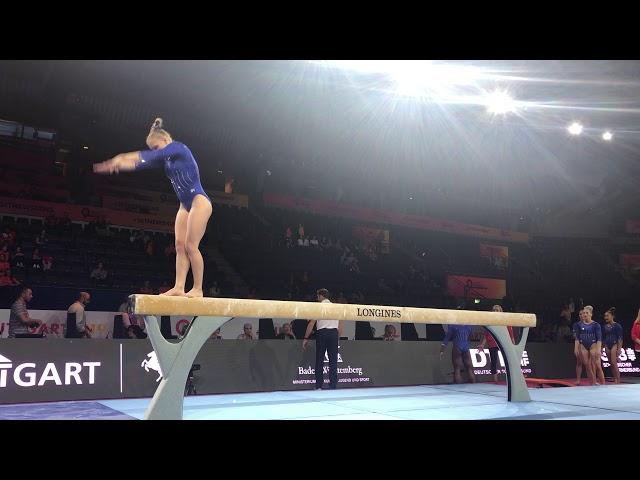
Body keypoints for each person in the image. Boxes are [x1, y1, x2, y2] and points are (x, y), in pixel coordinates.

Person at [93, 118, 212, 298]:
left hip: (199, 201)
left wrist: (121, 156)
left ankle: (197, 288)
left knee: (190, 245)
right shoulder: (166, 159)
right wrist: (115, 165)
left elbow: (150, 156)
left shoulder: (179, 148)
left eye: (156, 147)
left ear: (165, 140)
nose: (155, 151)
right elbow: (141, 164)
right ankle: (179, 287)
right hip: (184, 205)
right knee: (179, 245)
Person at [303, 288, 342, 390]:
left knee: (319, 360)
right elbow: (340, 324)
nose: (317, 298)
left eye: (317, 296)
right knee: (333, 361)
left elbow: (311, 323)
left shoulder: (318, 307)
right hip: (333, 333)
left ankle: (319, 386)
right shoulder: (336, 307)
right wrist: (338, 337)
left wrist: (306, 338)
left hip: (322, 333)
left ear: (320, 296)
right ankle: (333, 385)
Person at [476, 305, 515, 382]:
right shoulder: (490, 322)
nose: (495, 311)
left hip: (503, 342)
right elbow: (486, 335)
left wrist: (513, 345)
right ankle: (495, 381)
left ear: (501, 311)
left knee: (509, 361)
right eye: (494, 310)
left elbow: (511, 334)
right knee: (493, 362)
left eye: (497, 310)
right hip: (492, 343)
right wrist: (482, 345)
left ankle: (512, 380)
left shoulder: (506, 321)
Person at [574, 306, 604, 385]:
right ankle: (592, 382)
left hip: (593, 345)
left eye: (587, 313)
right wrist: (576, 348)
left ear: (591, 314)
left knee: (595, 364)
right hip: (583, 345)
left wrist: (598, 349)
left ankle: (602, 383)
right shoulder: (579, 325)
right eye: (583, 313)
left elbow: (599, 339)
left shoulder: (596, 325)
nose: (585, 314)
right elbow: (577, 338)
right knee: (587, 365)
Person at [603, 307, 623, 384]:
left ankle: (618, 379)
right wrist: (602, 348)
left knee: (614, 363)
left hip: (614, 344)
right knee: (611, 363)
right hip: (607, 345)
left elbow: (620, 339)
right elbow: (604, 338)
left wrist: (619, 349)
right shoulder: (605, 327)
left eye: (607, 316)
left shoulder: (617, 326)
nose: (606, 317)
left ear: (612, 316)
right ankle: (615, 378)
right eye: (605, 316)